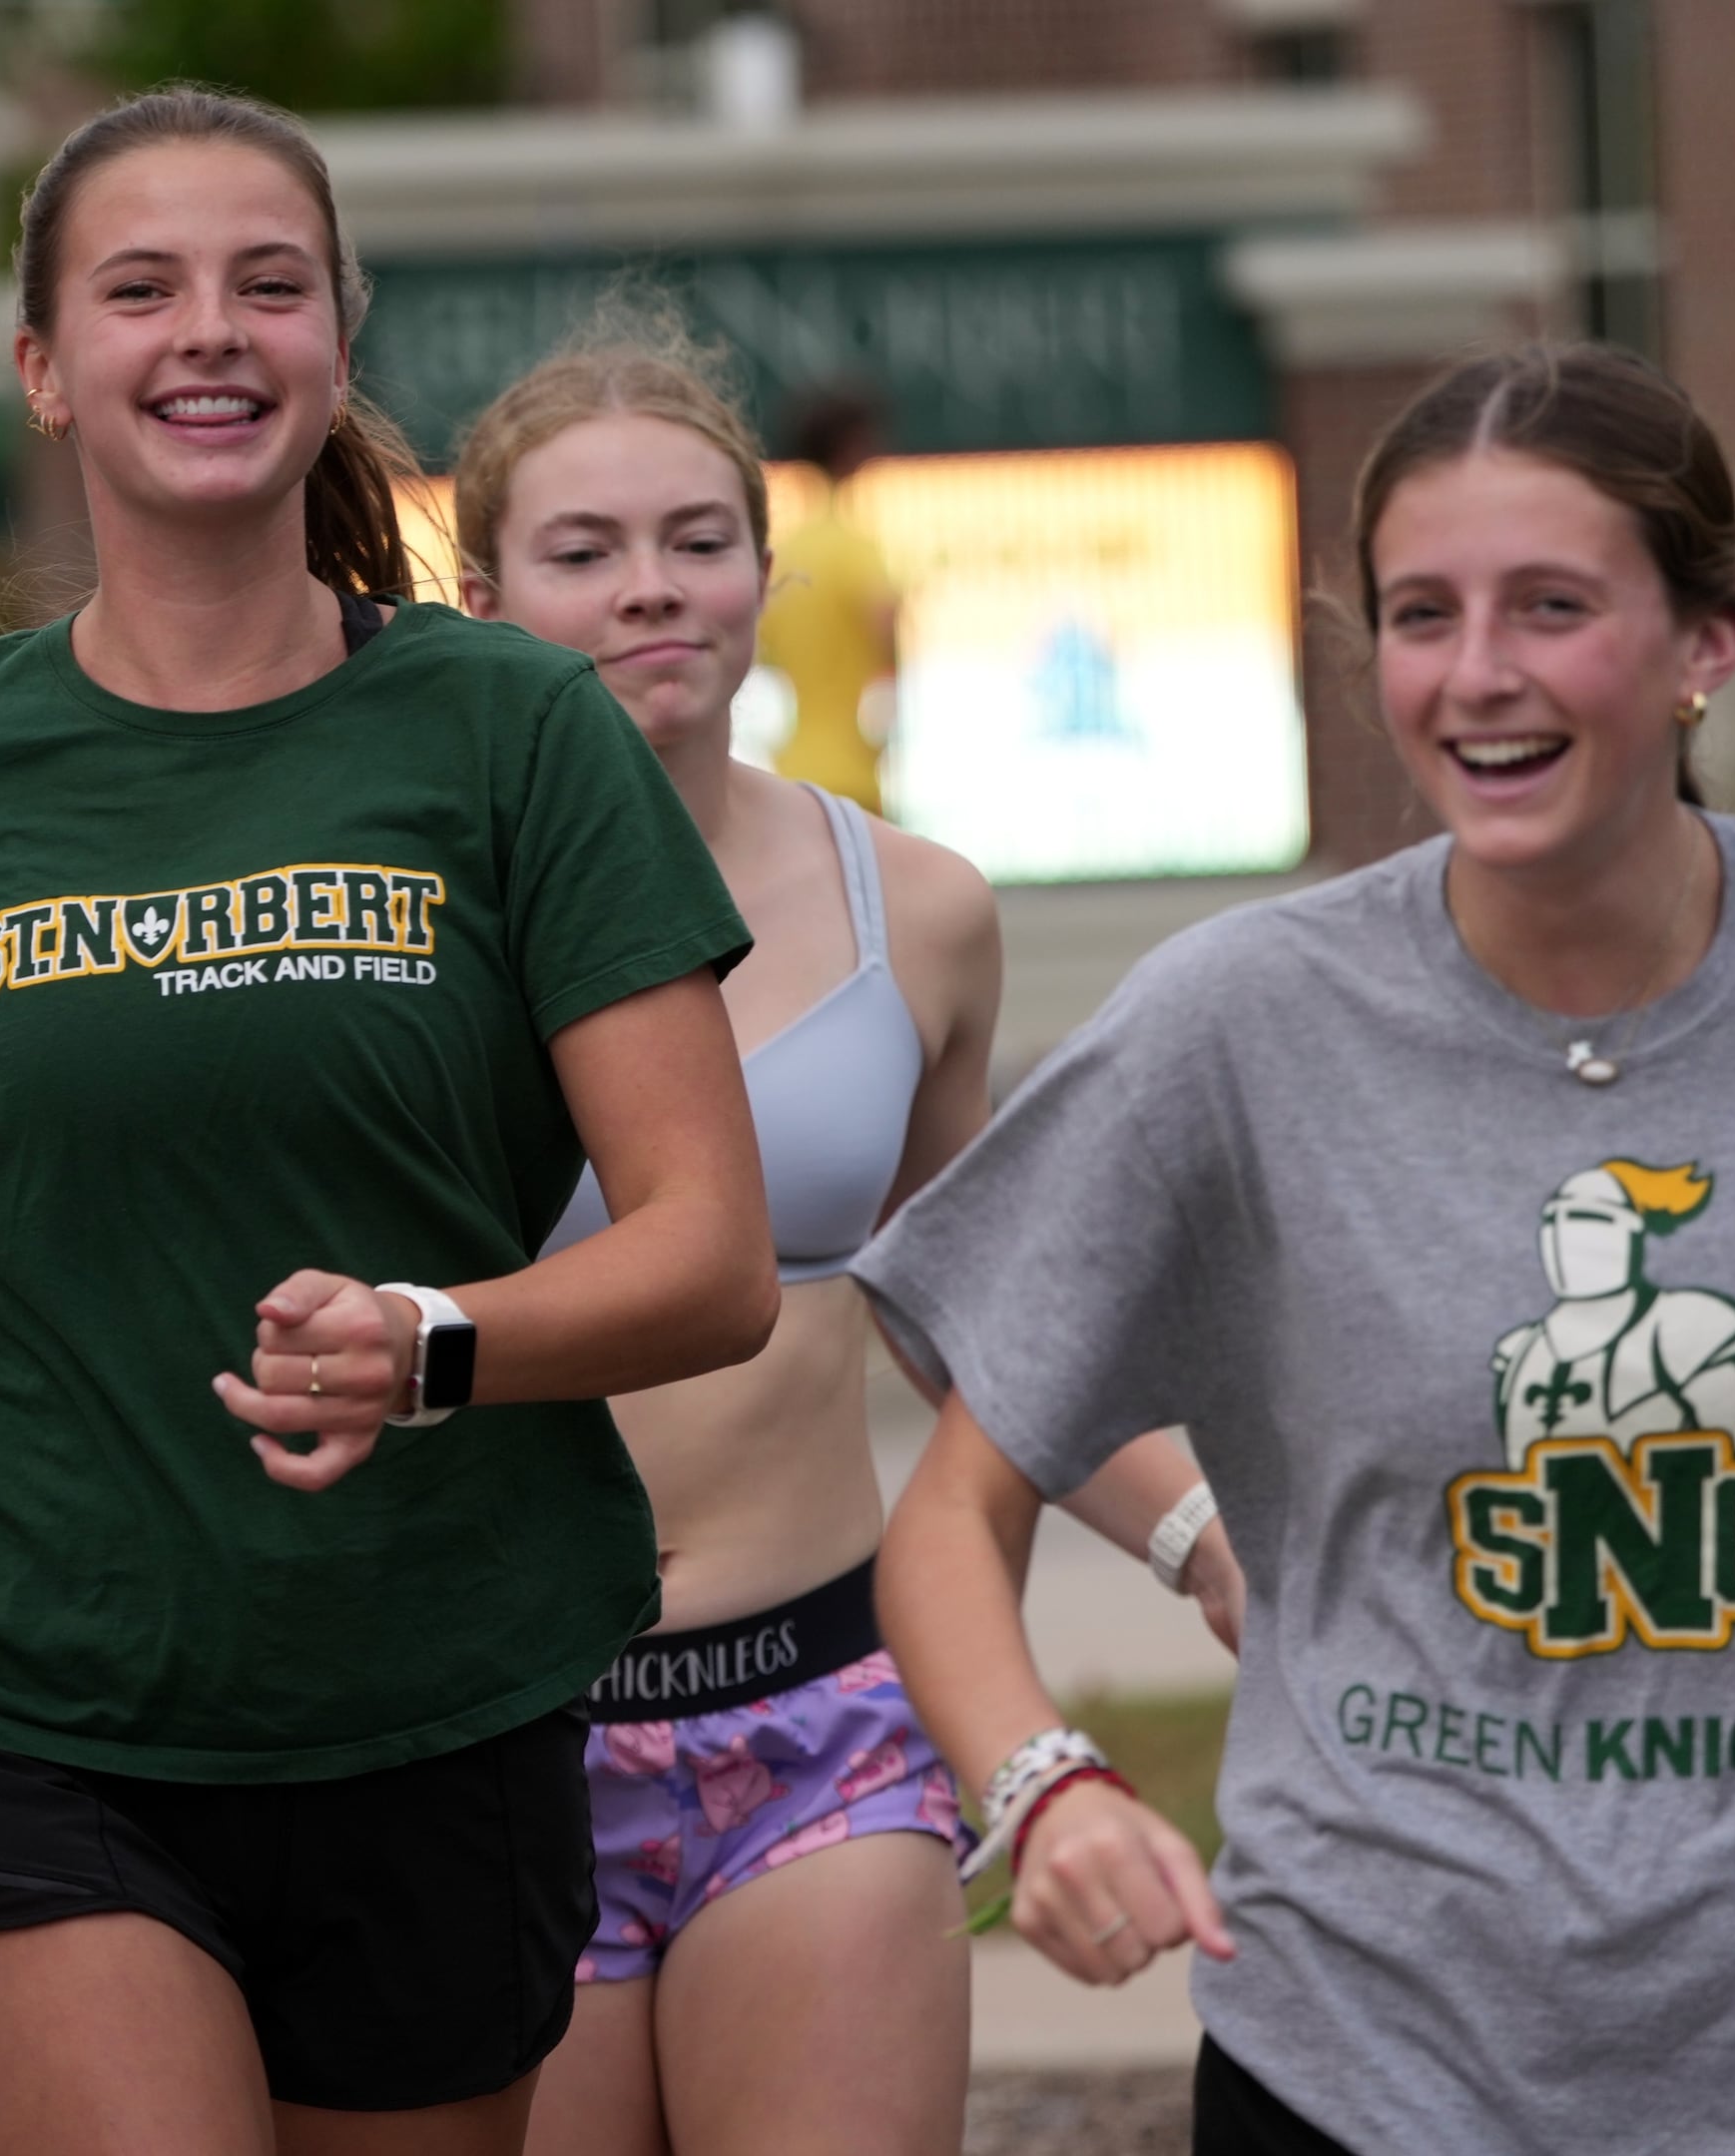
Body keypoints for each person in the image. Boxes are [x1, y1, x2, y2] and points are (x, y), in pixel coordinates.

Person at [0, 85, 780, 2156]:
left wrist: (437, 1344)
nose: (212, 334)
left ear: (341, 341)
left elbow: (708, 1251)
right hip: (17, 1693)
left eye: (270, 285)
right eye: (140, 291)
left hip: (437, 1686)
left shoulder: (512, 729)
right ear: (46, 371)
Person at [868, 340, 1735, 2156]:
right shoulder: (1239, 1026)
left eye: (1553, 606)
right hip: (1362, 2066)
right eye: (1422, 614)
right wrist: (1043, 1792)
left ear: (1710, 642)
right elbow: (953, 1512)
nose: (1478, 674)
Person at [448, 318, 1236, 2156]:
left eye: (697, 539)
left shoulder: (920, 914)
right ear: (481, 593)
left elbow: (979, 1315)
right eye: (585, 552)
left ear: (765, 568)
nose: (654, 589)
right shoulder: (406, 937)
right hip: (491, 1737)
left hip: (820, 1719)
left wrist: (1207, 1532)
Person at [756, 382, 898, 812]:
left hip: (791, 770)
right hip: (854, 775)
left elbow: (765, 656)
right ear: (853, 446)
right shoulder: (854, 546)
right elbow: (885, 622)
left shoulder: (784, 553)